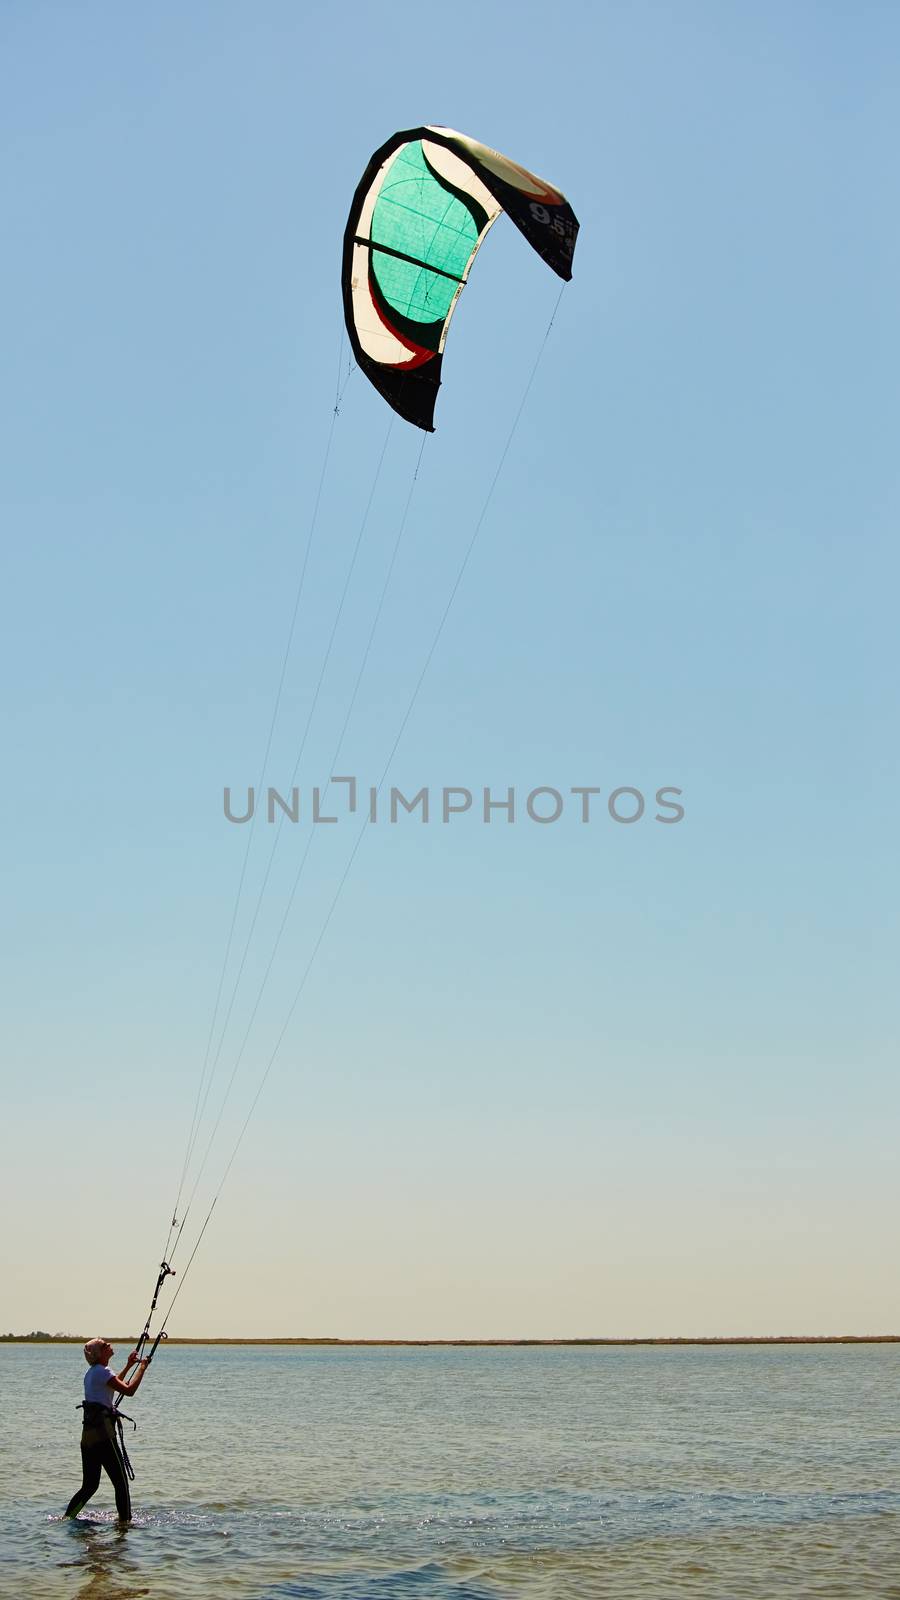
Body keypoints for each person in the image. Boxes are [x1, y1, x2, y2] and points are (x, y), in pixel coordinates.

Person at [64, 1338, 150, 1521]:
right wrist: (142, 1367)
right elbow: (128, 1390)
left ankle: (68, 1517)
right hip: (104, 1436)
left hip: (89, 1437)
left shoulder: (93, 1372)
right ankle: (125, 1524)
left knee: (90, 1486)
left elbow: (112, 1383)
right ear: (99, 1354)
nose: (109, 1345)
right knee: (121, 1484)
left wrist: (128, 1366)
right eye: (105, 1345)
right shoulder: (102, 1372)